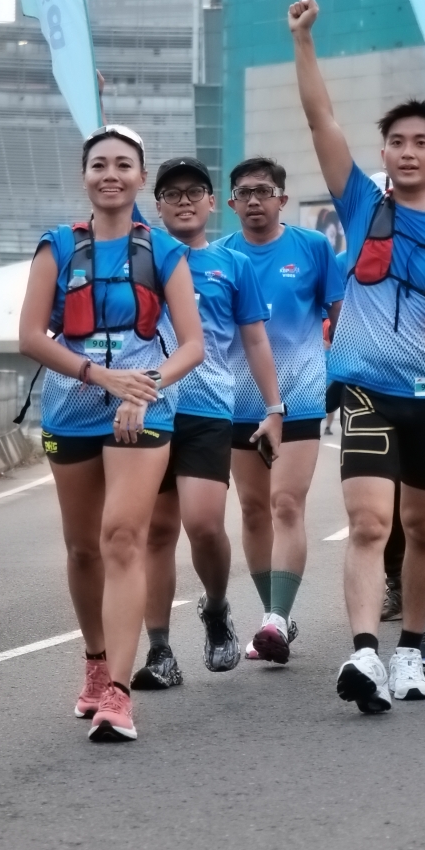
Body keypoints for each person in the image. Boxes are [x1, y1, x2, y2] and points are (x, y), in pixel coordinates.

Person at [287, 0, 425, 712]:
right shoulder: (361, 205)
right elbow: (321, 119)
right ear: (383, 154)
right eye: (396, 142)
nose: (407, 151)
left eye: (421, 142)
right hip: (367, 388)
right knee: (372, 522)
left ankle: (410, 651)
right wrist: (304, 41)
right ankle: (363, 653)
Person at [18, 125, 204, 744]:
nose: (111, 174)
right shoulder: (57, 247)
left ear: (141, 178)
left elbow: (192, 345)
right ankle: (95, 662)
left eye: (124, 164)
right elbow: (30, 337)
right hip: (71, 408)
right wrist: (101, 376)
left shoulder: (164, 252)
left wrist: (142, 387)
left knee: (123, 537)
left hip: (142, 411)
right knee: (82, 548)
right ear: (84, 177)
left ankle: (119, 693)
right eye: (99, 164)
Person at [131, 156, 284, 690]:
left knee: (204, 525)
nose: (184, 201)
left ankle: (216, 606)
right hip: (151, 408)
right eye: (172, 194)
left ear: (213, 202)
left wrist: (274, 408)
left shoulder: (231, 265)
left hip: (208, 408)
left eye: (195, 191)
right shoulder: (140, 260)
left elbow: (256, 340)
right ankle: (159, 650)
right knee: (157, 532)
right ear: (157, 206)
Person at [221, 153, 345, 662]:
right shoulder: (220, 256)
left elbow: (342, 316)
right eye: (244, 193)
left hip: (300, 399)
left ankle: (274, 620)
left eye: (263, 192)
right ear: (231, 203)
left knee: (286, 504)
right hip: (238, 402)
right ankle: (274, 615)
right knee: (253, 511)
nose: (254, 200)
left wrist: (336, 373)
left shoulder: (313, 248)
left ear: (282, 199)